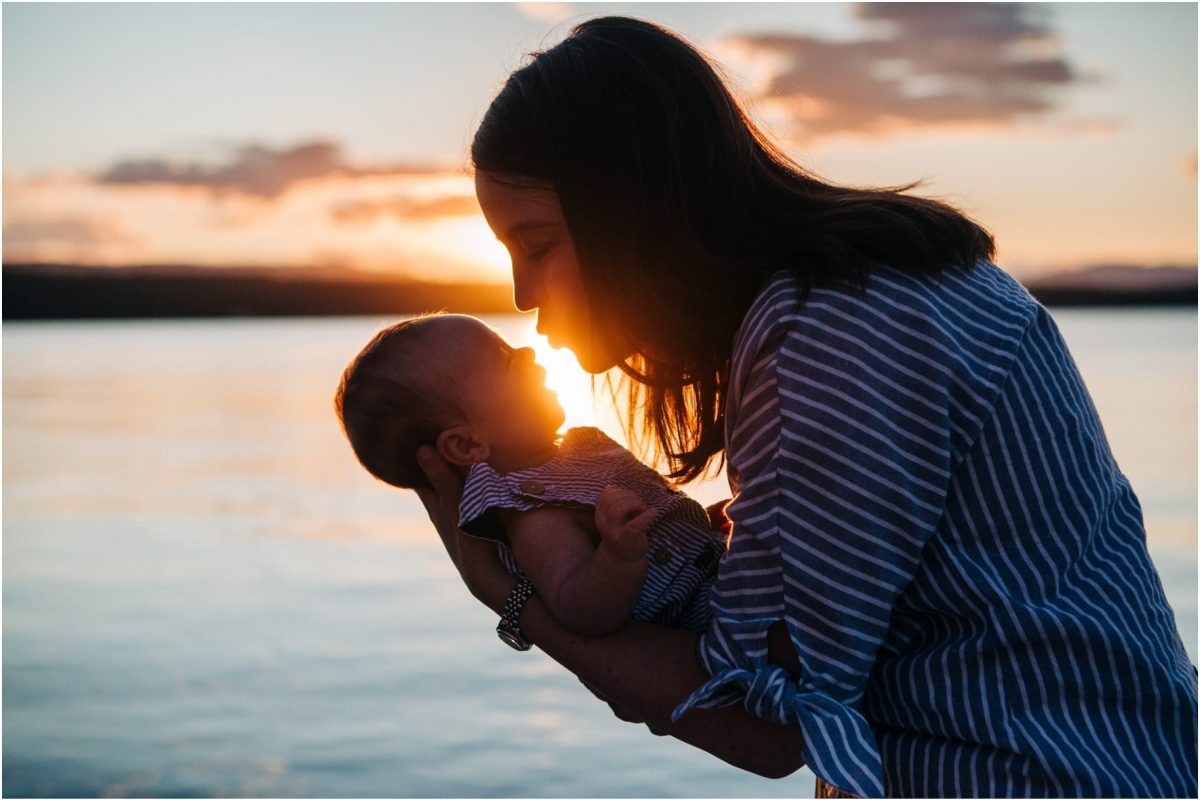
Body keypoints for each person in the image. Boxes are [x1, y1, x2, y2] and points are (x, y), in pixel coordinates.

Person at [415, 16, 1198, 798]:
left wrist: (509, 595)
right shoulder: (862, 296)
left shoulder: (830, 337)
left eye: (539, 244)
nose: (521, 295)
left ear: (636, 209)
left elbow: (764, 725)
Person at [334, 313, 726, 638]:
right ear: (468, 446)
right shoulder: (534, 514)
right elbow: (580, 607)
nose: (525, 351)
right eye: (505, 359)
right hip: (716, 619)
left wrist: (689, 526)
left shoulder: (571, 460)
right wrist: (618, 554)